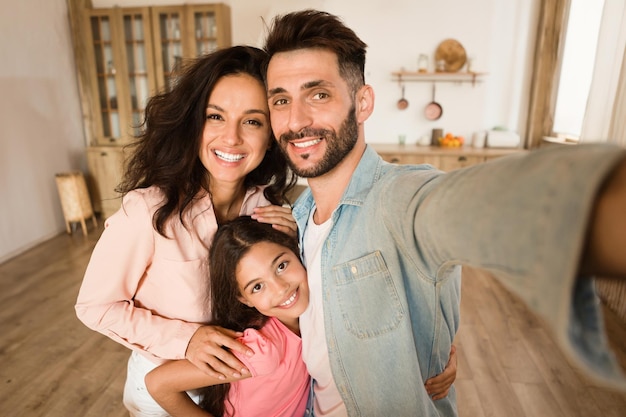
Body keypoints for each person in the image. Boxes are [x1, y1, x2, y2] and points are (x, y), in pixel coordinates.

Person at [260, 8, 626, 417]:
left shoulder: (401, 196)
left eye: (319, 94)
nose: (296, 121)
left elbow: (480, 207)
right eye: (281, 100)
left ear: (362, 103)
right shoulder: (297, 215)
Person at [75, 46, 299, 416]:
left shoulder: (269, 210)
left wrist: (291, 246)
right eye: (215, 116)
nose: (231, 138)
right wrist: (186, 339)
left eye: (253, 121)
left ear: (272, 134)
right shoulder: (148, 211)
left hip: (247, 388)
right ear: (193, 123)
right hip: (165, 389)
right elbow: (95, 306)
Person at [144, 216, 309, 417]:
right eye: (257, 287)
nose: (280, 289)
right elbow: (158, 384)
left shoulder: (310, 313)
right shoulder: (262, 350)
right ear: (245, 299)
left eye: (281, 266)